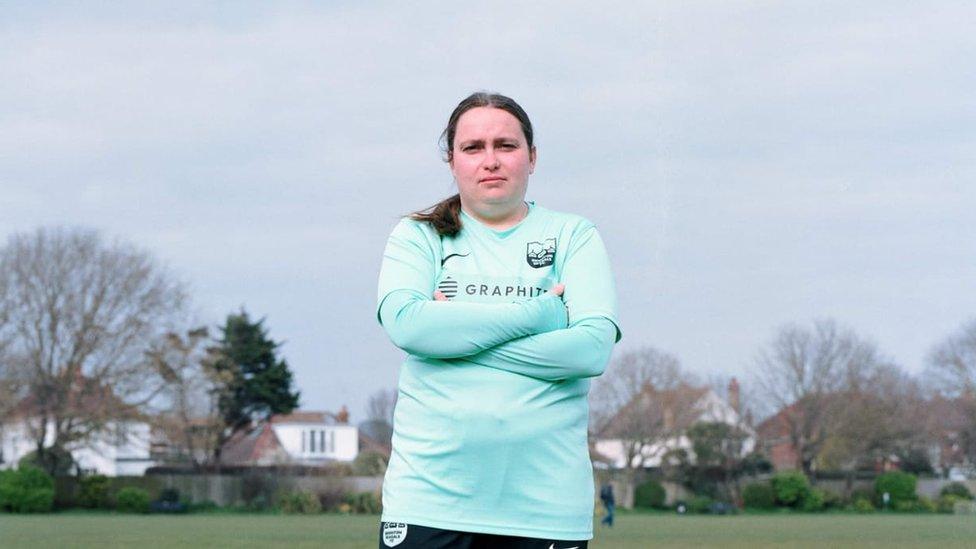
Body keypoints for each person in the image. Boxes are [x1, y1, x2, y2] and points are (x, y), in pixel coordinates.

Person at [375, 91, 621, 549]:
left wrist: (455, 339)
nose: (490, 160)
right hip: (428, 502)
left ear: (532, 157)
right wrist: (541, 314)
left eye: (505, 145)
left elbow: (591, 349)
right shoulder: (418, 235)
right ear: (452, 161)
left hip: (545, 510)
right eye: (473, 148)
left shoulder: (573, 236)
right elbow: (408, 326)